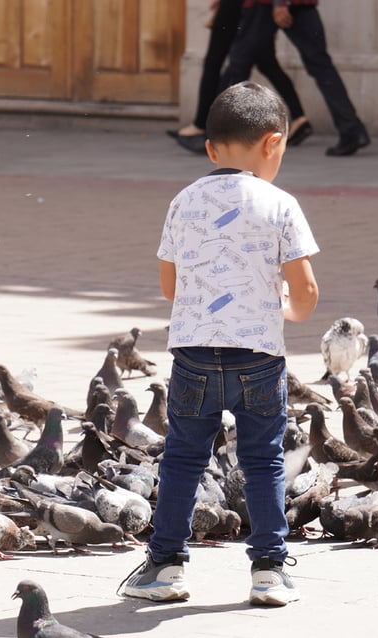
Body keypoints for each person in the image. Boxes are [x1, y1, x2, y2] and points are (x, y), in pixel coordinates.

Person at [119, 81, 319, 607]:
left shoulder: (183, 201)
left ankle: (165, 567)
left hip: (193, 358)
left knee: (183, 459)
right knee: (263, 460)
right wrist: (284, 310)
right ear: (274, 143)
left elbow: (169, 287)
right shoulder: (280, 204)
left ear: (209, 148)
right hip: (259, 360)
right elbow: (306, 292)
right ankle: (270, 572)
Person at [223, 0, 370, 157]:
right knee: (320, 65)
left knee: (239, 64)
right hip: (298, 4)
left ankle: (221, 133)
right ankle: (351, 129)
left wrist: (280, 4)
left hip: (268, 5)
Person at [173, 0, 312, 154]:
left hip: (253, 6)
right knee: (264, 63)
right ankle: (299, 116)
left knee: (235, 65)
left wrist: (279, 5)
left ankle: (217, 132)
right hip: (252, 7)